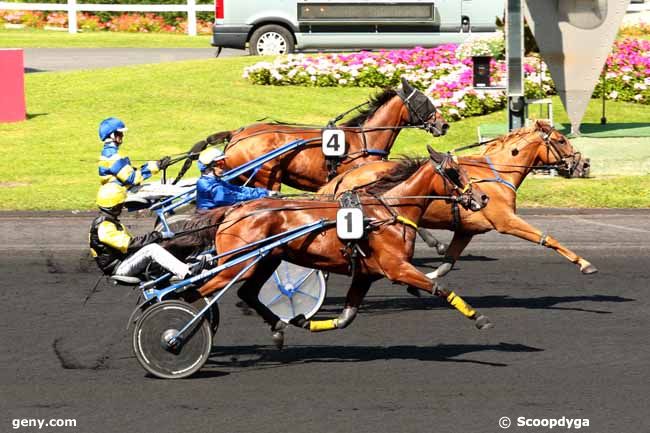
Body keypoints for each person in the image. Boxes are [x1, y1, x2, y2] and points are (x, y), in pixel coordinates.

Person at [89, 183, 203, 280]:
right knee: (151, 249)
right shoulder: (104, 226)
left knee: (159, 246)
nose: (123, 207)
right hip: (120, 268)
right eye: (120, 205)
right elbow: (130, 244)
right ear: (113, 207)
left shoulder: (108, 222)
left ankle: (189, 264)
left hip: (125, 261)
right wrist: (158, 235)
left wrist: (159, 239)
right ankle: (186, 272)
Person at [97, 117, 172, 188]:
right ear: (112, 135)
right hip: (119, 194)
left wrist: (155, 164)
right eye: (120, 133)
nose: (122, 135)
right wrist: (155, 167)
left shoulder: (108, 153)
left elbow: (130, 172)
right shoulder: (111, 156)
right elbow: (132, 179)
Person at [195, 147, 272, 211]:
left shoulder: (216, 181)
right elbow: (230, 197)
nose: (223, 167)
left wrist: (265, 192)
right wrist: (262, 195)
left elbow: (238, 189)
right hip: (210, 221)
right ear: (209, 167)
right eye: (220, 164)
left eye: (223, 163)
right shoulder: (206, 184)